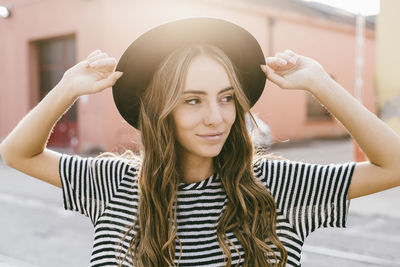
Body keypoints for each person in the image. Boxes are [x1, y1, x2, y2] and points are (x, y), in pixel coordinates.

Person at [1, 17, 400, 267]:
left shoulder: (276, 185)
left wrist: (320, 83)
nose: (218, 116)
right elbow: (17, 152)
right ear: (160, 110)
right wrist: (67, 89)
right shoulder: (114, 182)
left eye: (227, 97)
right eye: (192, 100)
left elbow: (393, 166)